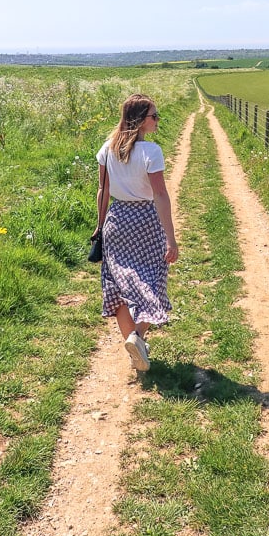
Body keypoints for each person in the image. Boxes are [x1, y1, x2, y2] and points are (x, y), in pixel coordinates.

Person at [95, 93, 179, 372]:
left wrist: (100, 225)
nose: (157, 121)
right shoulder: (150, 152)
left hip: (117, 221)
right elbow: (160, 195)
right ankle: (136, 338)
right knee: (153, 280)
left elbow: (103, 191)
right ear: (141, 120)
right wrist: (171, 238)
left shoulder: (107, 149)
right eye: (154, 116)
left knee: (118, 284)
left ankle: (136, 348)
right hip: (145, 220)